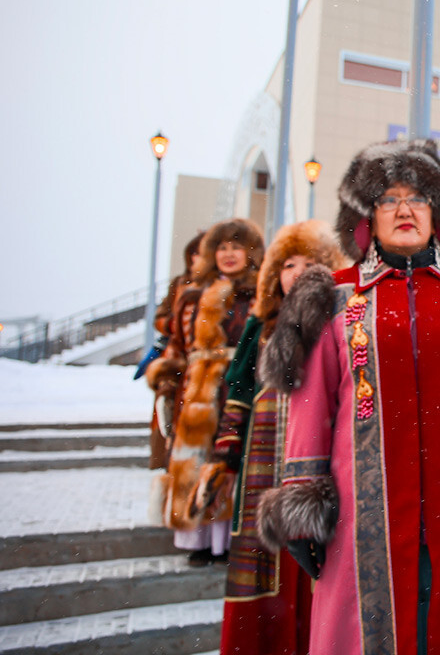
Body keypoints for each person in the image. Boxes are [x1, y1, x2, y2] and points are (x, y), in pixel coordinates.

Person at [258, 139, 440, 655]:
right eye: (389, 199)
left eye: (418, 198)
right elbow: (310, 408)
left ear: (438, 212)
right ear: (366, 217)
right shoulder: (332, 298)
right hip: (360, 517)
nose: (405, 209)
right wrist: (302, 497)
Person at [192, 220, 349, 655]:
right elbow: (238, 394)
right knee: (262, 568)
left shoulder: (340, 323)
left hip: (321, 467)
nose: (297, 273)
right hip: (261, 468)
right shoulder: (259, 326)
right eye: (288, 264)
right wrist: (224, 457)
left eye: (310, 263)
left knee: (319, 568)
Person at [149, 218, 263, 566]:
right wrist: (167, 382)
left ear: (250, 252)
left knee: (230, 461)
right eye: (222, 247)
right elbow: (177, 346)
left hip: (237, 386)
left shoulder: (260, 295)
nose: (229, 254)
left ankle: (228, 541)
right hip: (196, 391)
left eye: (236, 247)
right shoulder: (192, 296)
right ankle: (198, 539)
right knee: (193, 461)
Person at [144, 229, 206, 470]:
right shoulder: (180, 283)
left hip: (202, 360)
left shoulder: (217, 285)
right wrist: (175, 324)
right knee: (169, 412)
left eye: (202, 253)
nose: (197, 259)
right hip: (177, 355)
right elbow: (161, 317)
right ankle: (167, 459)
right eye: (194, 254)